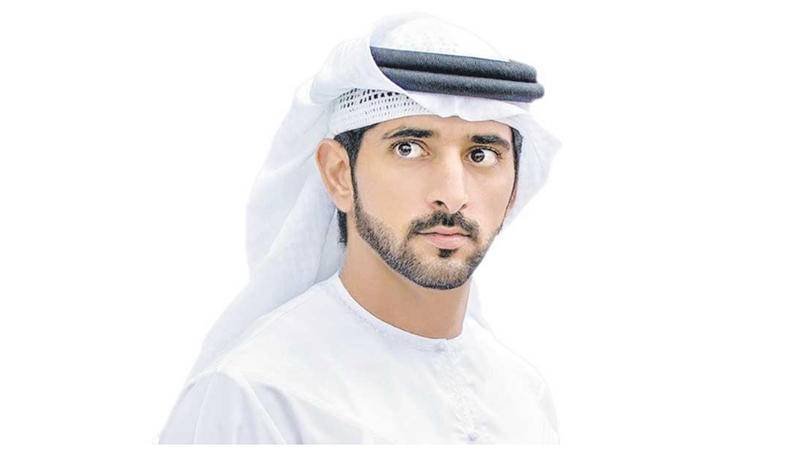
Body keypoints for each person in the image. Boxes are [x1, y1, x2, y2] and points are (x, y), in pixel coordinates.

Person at [157, 12, 562, 444]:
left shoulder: (522, 396)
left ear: (515, 184)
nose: (452, 194)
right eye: (409, 148)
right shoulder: (259, 397)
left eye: (481, 155)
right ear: (338, 174)